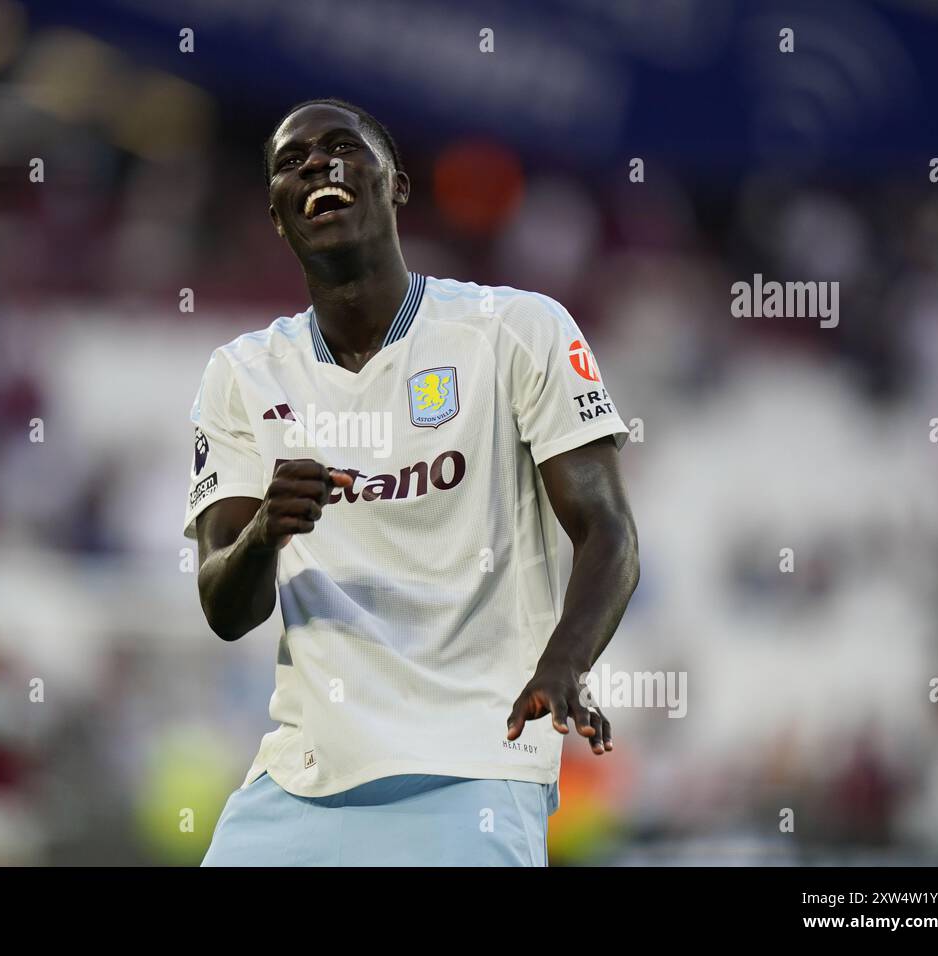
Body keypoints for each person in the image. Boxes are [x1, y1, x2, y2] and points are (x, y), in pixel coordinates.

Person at [183, 98, 639, 866]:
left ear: (395, 184)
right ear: (277, 215)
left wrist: (563, 663)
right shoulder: (242, 375)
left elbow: (609, 532)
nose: (316, 165)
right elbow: (226, 608)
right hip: (300, 781)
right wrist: (265, 531)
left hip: (472, 771)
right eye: (292, 162)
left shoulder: (517, 330)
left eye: (341, 148)